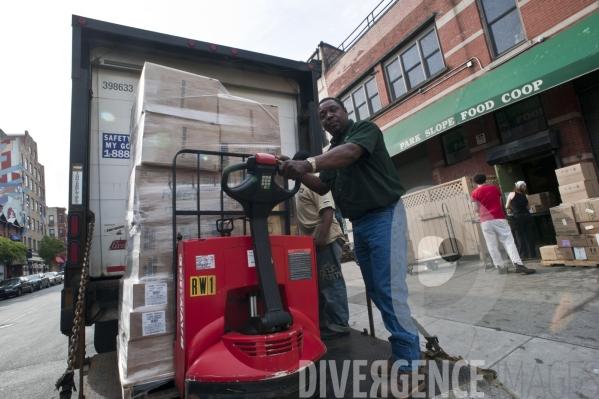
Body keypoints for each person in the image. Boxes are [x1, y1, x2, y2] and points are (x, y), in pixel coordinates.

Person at [279, 97, 423, 398]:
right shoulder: (333, 152)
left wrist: (307, 163)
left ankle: (411, 369)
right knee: (376, 290)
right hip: (361, 223)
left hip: (385, 215)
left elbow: (351, 153)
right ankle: (402, 358)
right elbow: (322, 186)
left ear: (346, 112)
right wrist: (293, 170)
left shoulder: (364, 132)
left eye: (333, 110)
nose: (328, 116)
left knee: (390, 290)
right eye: (322, 115)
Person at [293, 150, 350, 340]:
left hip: (326, 238)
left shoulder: (315, 183)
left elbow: (328, 209)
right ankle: (326, 321)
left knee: (330, 281)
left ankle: (339, 324)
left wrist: (322, 237)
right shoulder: (301, 185)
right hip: (313, 242)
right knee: (320, 283)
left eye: (299, 164)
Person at [470, 174, 536, 274]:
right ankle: (518, 264)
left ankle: (500, 267)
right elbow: (500, 204)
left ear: (475, 182)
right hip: (498, 217)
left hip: (485, 220)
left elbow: (475, 209)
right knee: (508, 241)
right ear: (485, 180)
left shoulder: (474, 193)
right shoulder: (494, 189)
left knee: (491, 244)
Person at [506, 181, 536, 260]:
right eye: (524, 186)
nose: (525, 188)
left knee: (519, 235)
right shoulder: (526, 196)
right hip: (527, 215)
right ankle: (532, 254)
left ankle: (523, 255)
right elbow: (529, 208)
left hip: (518, 216)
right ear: (520, 187)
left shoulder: (511, 194)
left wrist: (511, 210)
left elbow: (507, 206)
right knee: (529, 234)